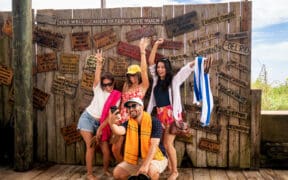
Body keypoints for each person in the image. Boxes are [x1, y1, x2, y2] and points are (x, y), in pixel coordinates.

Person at [147, 38, 212, 180]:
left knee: (167, 144)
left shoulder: (174, 81)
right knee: (162, 144)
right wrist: (156, 45)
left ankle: (174, 171)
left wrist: (199, 62)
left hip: (171, 116)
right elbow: (150, 61)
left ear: (167, 68)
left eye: (162, 67)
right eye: (158, 67)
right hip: (159, 116)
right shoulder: (157, 80)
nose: (159, 69)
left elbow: (186, 70)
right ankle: (170, 166)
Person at [77, 50, 121, 180]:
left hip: (102, 123)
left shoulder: (117, 96)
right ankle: (90, 174)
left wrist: (100, 129)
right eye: (105, 84)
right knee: (90, 146)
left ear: (113, 83)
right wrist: (99, 62)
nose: (107, 86)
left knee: (106, 150)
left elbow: (110, 117)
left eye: (110, 84)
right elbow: (97, 76)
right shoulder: (97, 89)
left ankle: (106, 170)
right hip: (87, 119)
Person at [108, 97, 168, 180]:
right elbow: (119, 131)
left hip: (156, 157)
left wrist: (145, 165)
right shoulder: (129, 123)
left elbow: (154, 146)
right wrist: (111, 123)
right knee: (117, 173)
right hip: (137, 159)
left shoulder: (154, 122)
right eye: (128, 107)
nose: (131, 109)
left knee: (151, 171)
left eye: (134, 106)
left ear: (142, 107)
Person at [112, 37, 150, 162]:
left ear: (138, 75)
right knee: (115, 149)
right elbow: (122, 102)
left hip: (133, 120)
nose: (132, 78)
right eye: (130, 75)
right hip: (121, 118)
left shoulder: (143, 86)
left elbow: (144, 70)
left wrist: (143, 51)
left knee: (132, 150)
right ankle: (125, 168)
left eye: (134, 75)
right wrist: (116, 115)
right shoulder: (126, 85)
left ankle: (130, 169)